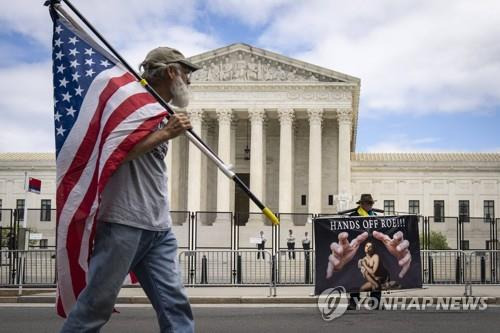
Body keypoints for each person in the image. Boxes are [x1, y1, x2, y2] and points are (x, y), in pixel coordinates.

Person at [60, 47, 199, 333]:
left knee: (175, 306)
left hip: (158, 226)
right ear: (172, 72)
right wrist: (165, 133)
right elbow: (109, 153)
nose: (189, 80)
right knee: (95, 307)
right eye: (186, 73)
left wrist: (165, 129)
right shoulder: (129, 108)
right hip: (123, 222)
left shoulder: (161, 112)